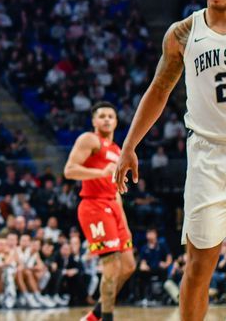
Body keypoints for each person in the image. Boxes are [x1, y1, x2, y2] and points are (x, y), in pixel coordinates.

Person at [116, 0, 226, 321]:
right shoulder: (182, 33)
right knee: (198, 266)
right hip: (207, 155)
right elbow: (159, 90)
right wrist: (129, 145)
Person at [65, 102, 136, 321]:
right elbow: (69, 171)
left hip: (113, 207)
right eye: (102, 116)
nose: (106, 119)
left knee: (128, 266)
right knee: (111, 265)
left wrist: (124, 222)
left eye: (110, 116)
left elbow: (116, 192)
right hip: (94, 205)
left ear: (116, 121)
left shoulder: (116, 150)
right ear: (94, 121)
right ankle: (106, 318)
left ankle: (94, 314)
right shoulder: (90, 139)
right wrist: (99, 172)